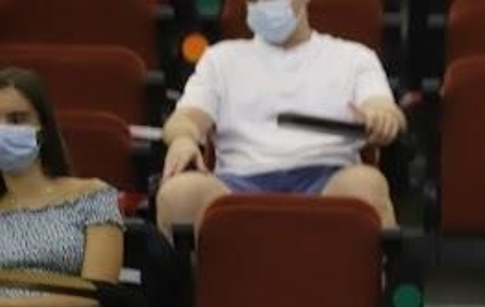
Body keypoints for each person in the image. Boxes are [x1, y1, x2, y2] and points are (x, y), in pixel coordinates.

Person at [155, 0, 405, 236]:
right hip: (237, 183)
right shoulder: (220, 58)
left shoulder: (355, 57)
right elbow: (185, 118)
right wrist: (183, 139)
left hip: (328, 176)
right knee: (178, 194)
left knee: (366, 184)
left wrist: (382, 118)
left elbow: (384, 108)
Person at [0, 67, 124, 307]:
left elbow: (95, 299)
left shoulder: (92, 196)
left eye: (17, 119)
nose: (4, 130)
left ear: (43, 126)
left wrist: (8, 305)